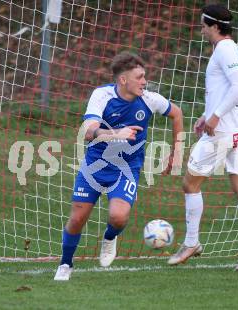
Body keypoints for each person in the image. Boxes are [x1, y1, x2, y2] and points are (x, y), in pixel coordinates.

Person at [54, 51, 183, 280]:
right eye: (139, 77)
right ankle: (65, 264)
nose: (144, 82)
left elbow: (177, 113)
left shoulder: (150, 100)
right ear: (123, 80)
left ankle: (110, 238)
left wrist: (177, 151)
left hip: (126, 168)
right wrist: (116, 134)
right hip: (95, 166)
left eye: (145, 77)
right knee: (77, 219)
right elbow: (88, 131)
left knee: (118, 217)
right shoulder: (102, 95)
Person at [168, 4, 238, 272]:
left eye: (204, 25)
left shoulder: (225, 49)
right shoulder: (229, 48)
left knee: (190, 184)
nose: (202, 30)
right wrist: (207, 114)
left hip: (223, 131)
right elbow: (227, 89)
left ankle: (192, 242)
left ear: (215, 26)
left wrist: (216, 116)